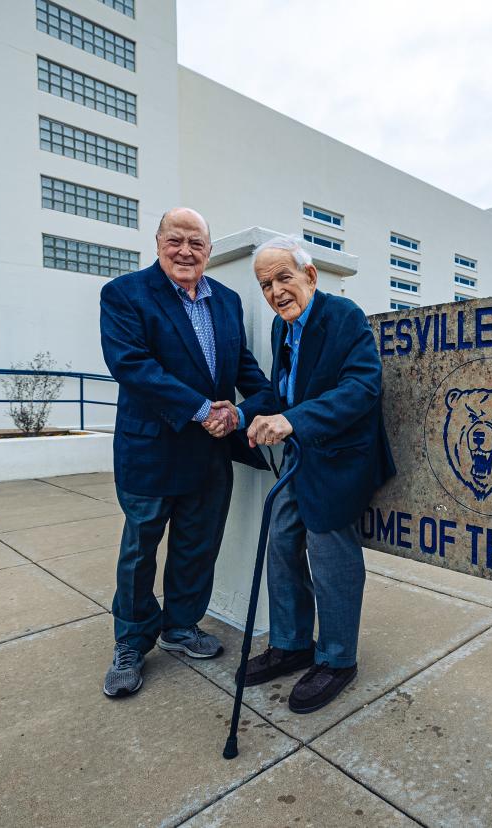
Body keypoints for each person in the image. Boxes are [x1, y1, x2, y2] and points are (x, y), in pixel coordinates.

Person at [99, 207, 272, 698]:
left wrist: (242, 412)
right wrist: (203, 410)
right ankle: (131, 640)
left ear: (209, 251)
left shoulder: (228, 302)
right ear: (157, 243)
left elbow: (246, 371)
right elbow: (132, 366)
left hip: (210, 456)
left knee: (198, 548)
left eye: (196, 243)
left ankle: (180, 627)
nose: (185, 251)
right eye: (176, 240)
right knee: (139, 554)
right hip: (150, 451)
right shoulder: (124, 294)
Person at [242, 234, 396, 714]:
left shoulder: (342, 316)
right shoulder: (279, 329)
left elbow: (363, 386)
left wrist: (293, 421)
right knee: (281, 543)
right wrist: (243, 410)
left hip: (340, 459)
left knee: (330, 557)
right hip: (301, 455)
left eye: (283, 278)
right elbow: (282, 392)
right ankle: (292, 644)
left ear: (309, 276)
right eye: (265, 285)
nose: (275, 291)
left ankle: (337, 659)